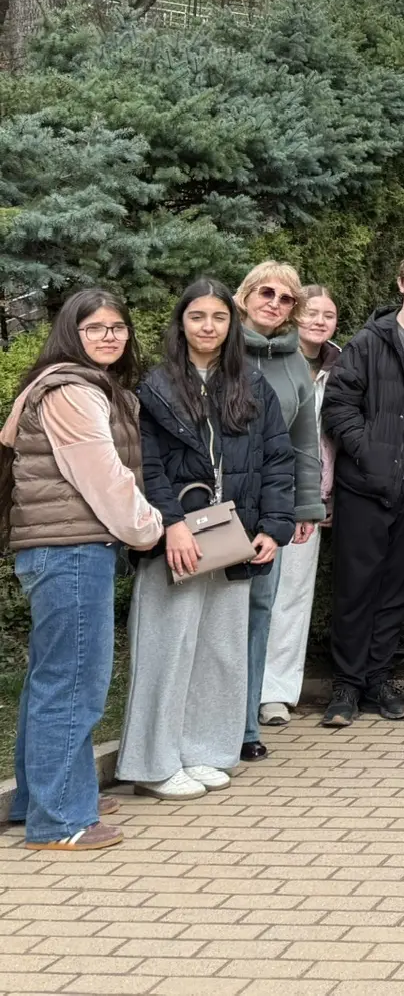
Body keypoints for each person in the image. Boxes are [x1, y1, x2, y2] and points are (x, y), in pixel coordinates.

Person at [120, 279, 295, 801]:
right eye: (197, 316)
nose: (208, 327)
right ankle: (154, 763)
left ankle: (202, 752)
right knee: (167, 650)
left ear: (231, 324)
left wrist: (273, 527)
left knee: (219, 651)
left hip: (234, 537)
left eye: (219, 317)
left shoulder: (252, 384)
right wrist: (170, 523)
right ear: (181, 324)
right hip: (177, 538)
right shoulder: (154, 387)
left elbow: (277, 459)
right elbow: (146, 465)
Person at [1, 290, 164, 851]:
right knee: (73, 682)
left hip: (62, 549)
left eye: (117, 327)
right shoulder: (71, 390)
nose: (109, 337)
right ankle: (61, 820)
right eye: (94, 328)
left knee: (52, 678)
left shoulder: (75, 384)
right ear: (71, 333)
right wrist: (148, 527)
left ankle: (39, 798)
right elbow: (103, 476)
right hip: (71, 550)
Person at [319, 250, 404, 728]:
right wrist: (370, 452)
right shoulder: (369, 340)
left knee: (396, 588)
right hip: (366, 485)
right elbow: (338, 405)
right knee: (355, 586)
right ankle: (346, 685)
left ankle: (378, 679)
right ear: (401, 284)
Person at [234, 262, 323, 762]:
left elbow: (304, 442)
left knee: (259, 611)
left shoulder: (294, 364)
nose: (275, 303)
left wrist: (306, 506)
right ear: (246, 295)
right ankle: (208, 724)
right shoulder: (223, 349)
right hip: (221, 506)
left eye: (286, 298)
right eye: (266, 292)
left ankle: (246, 726)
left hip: (271, 507)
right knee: (217, 616)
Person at [259, 285, 339, 725]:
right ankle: (243, 688)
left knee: (292, 596)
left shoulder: (341, 365)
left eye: (328, 315)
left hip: (309, 497)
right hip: (260, 494)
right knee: (253, 595)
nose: (319, 321)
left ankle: (275, 692)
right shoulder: (267, 357)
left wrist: (324, 495)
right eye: (311, 312)